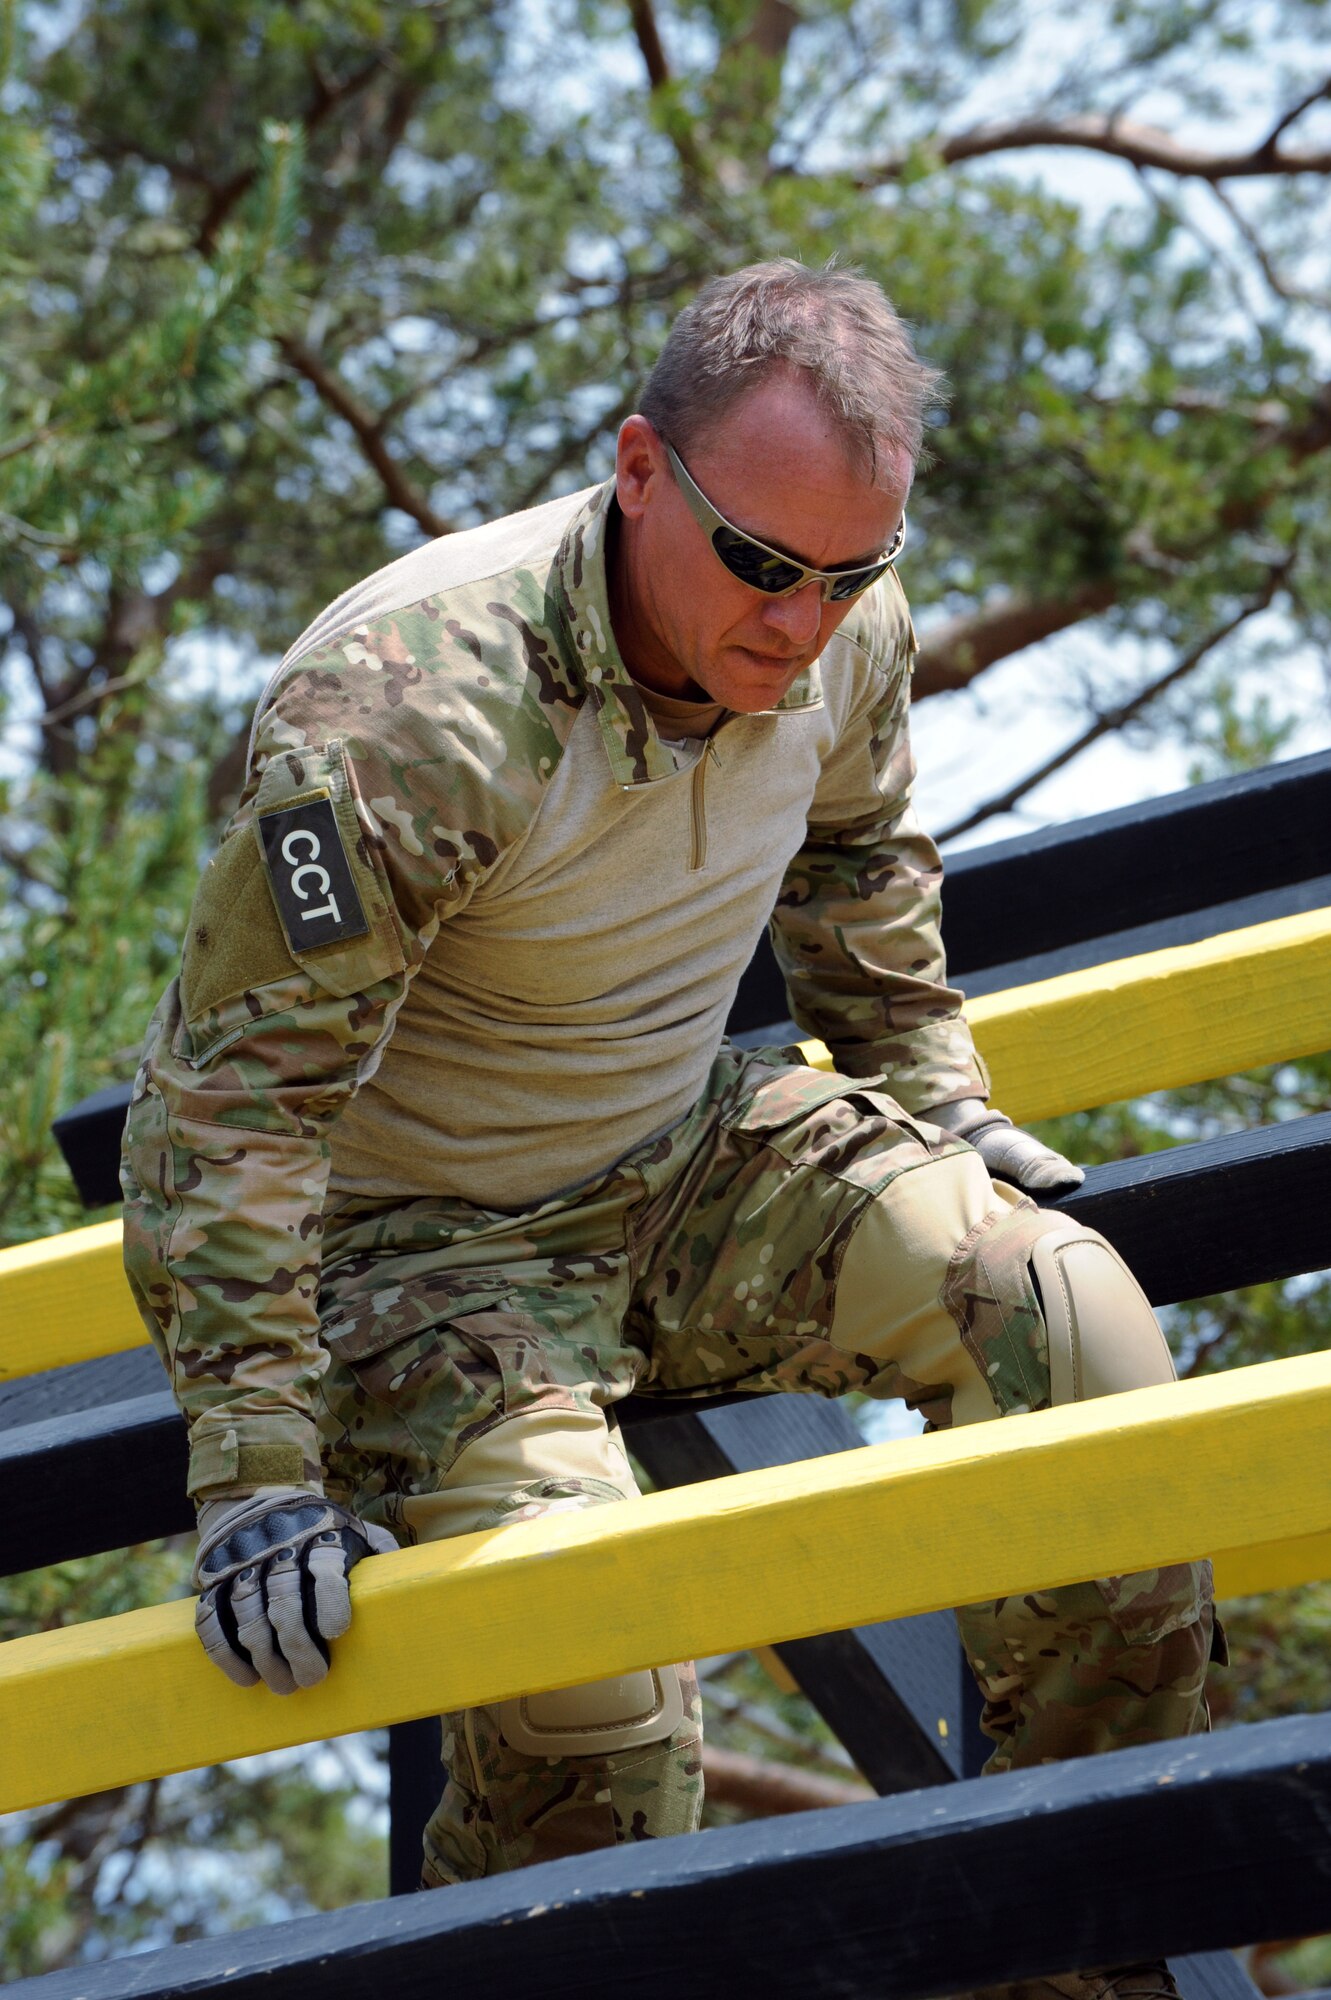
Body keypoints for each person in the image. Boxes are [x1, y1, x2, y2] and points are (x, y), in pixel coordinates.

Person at [122, 259, 1218, 1996]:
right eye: (764, 565)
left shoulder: (842, 624)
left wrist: (934, 1098)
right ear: (640, 470)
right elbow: (234, 1108)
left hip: (680, 1152)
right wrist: (257, 1476)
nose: (803, 622)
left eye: (852, 574)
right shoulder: (407, 709)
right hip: (414, 1249)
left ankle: (1069, 1959)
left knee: (1074, 1331)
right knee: (597, 1673)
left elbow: (858, 858)